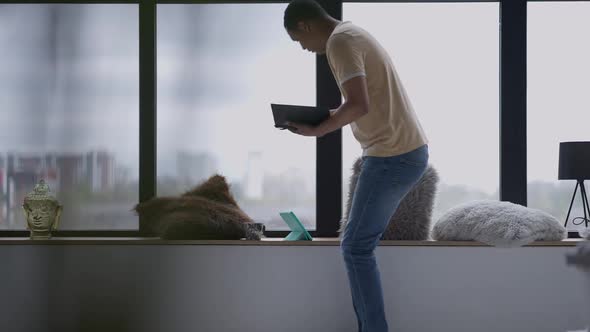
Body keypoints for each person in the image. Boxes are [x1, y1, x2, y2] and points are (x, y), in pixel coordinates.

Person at [283, 1, 430, 331]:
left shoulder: (340, 41)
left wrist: (318, 128)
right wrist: (323, 117)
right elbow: (362, 99)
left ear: (305, 26)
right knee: (357, 246)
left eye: (298, 40)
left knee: (355, 247)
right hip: (400, 152)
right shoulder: (354, 33)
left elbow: (358, 104)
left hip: (393, 154)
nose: (305, 49)